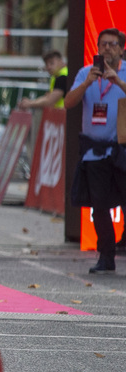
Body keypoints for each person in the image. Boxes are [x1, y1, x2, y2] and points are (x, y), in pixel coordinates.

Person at [65, 29, 126, 273]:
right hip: (95, 152)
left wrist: (117, 81)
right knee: (99, 207)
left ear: (122, 49)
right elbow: (69, 103)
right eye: (103, 44)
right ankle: (106, 256)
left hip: (121, 148)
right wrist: (89, 82)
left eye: (113, 44)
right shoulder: (85, 73)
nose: (107, 49)